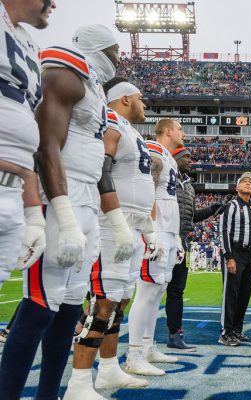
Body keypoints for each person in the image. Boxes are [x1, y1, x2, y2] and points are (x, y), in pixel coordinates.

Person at [0, 24, 122, 400]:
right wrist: (62, 214)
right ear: (98, 47)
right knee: (40, 305)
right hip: (60, 198)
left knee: (70, 307)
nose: (119, 58)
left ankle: (49, 394)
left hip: (85, 198)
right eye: (115, 50)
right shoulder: (67, 68)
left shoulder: (96, 88)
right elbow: (46, 144)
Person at [65, 77, 155, 397]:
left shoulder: (132, 132)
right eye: (140, 98)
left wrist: (148, 228)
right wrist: (117, 222)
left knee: (118, 301)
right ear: (126, 99)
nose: (145, 105)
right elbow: (102, 169)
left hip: (131, 224)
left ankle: (109, 369)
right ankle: (78, 382)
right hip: (113, 225)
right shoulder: (112, 120)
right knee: (103, 303)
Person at [0, 0, 55, 290]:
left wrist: (33, 212)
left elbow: (28, 140)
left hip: (13, 191)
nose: (54, 4)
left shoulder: (31, 45)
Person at [125, 118, 183, 376]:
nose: (183, 133)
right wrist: (151, 230)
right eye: (180, 129)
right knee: (147, 290)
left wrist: (177, 236)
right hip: (157, 228)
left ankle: (148, 346)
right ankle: (134, 353)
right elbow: (148, 187)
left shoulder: (169, 157)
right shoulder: (155, 151)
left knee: (159, 289)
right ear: (168, 131)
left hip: (169, 229)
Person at [166, 146, 226, 351]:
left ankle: (175, 335)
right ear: (176, 158)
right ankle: (144, 339)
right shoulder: (166, 177)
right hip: (163, 239)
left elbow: (191, 217)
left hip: (181, 242)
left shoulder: (189, 186)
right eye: (187, 158)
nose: (191, 161)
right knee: (153, 289)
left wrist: (212, 209)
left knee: (176, 291)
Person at [218, 172, 251, 346]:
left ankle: (237, 329)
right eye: (244, 182)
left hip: (249, 255)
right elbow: (224, 231)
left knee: (244, 294)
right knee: (231, 293)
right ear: (237, 188)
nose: (247, 184)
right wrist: (228, 257)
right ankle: (226, 332)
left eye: (250, 183)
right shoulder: (231, 206)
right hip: (235, 252)